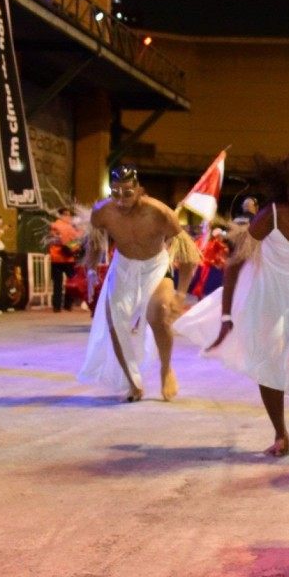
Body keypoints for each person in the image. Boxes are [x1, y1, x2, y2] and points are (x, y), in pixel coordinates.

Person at [175, 155, 289, 456]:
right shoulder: (271, 215)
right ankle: (280, 432)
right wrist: (227, 315)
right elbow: (235, 262)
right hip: (270, 290)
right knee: (269, 360)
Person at [78, 164, 199, 402]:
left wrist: (181, 294)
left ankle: (166, 369)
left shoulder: (160, 213)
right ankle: (134, 382)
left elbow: (188, 257)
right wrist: (90, 267)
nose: (121, 199)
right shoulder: (102, 211)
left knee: (159, 312)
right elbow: (94, 242)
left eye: (127, 192)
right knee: (116, 322)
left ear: (139, 190)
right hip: (123, 267)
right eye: (115, 192)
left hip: (155, 266)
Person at [48, 207, 81, 312]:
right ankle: (66, 304)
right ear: (61, 215)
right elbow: (77, 240)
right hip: (66, 258)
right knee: (71, 282)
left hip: (58, 258)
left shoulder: (54, 225)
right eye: (66, 214)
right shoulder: (69, 227)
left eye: (69, 214)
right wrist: (72, 246)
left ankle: (58, 306)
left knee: (59, 283)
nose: (68, 216)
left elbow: (53, 239)